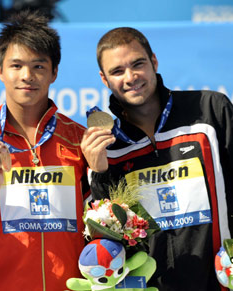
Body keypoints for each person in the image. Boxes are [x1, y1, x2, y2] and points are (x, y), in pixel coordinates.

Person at [81, 26, 233, 290]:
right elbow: (107, 241)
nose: (130, 77)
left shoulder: (210, 110)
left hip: (218, 282)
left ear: (154, 61)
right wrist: (99, 171)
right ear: (104, 80)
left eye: (138, 64)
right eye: (117, 71)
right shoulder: (108, 146)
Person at [0, 10, 89, 291]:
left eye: (38, 66)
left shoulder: (79, 140)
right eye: (16, 66)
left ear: (54, 72)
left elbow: (97, 224)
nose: (27, 76)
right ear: (0, 70)